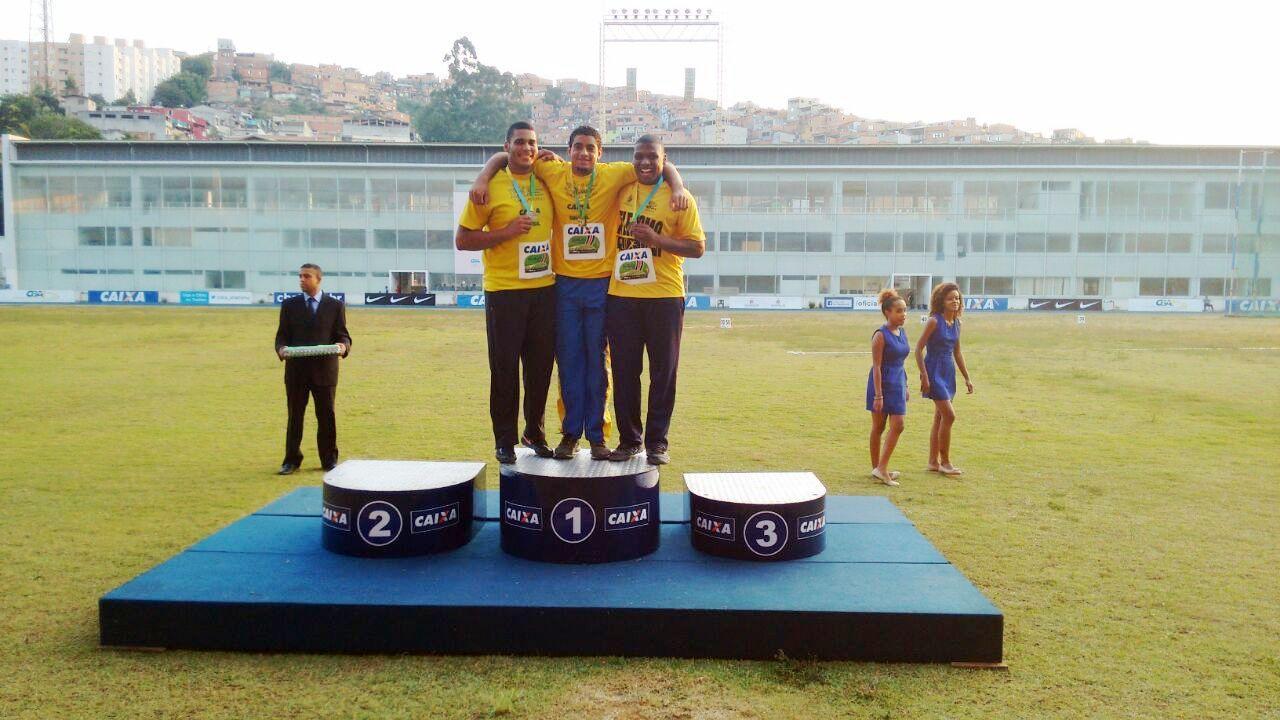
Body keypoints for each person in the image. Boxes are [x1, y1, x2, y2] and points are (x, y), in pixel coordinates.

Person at [470, 127, 688, 461]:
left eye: (590, 148)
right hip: (564, 286)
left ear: (600, 153)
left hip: (603, 285)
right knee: (569, 362)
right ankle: (570, 434)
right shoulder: (551, 170)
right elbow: (508, 155)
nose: (584, 154)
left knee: (599, 364)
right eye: (578, 148)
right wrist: (484, 176)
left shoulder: (614, 174)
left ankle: (598, 436)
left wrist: (678, 185)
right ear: (568, 150)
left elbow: (658, 164)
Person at [456, 121, 557, 464]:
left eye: (531, 143)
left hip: (546, 290)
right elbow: (463, 238)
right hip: (504, 291)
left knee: (540, 368)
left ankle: (535, 432)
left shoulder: (545, 178)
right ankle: (504, 439)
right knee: (504, 370)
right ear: (507, 145)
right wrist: (506, 231)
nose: (526, 148)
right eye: (518, 143)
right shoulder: (489, 187)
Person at [605, 135, 705, 465]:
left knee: (664, 373)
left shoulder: (680, 198)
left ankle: (657, 442)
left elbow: (697, 248)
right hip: (621, 296)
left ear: (664, 160)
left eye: (652, 157)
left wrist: (657, 238)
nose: (645, 163)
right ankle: (630, 440)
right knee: (624, 373)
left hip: (664, 296)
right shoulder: (620, 189)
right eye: (639, 157)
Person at [274, 263, 352, 475]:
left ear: (318, 279)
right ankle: (291, 461)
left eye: (306, 276)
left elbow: (342, 334)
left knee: (327, 416)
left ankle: (328, 460)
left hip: (325, 373)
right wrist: (280, 349)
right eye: (300, 276)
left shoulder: (335, 306)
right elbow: (282, 335)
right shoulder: (290, 305)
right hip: (296, 373)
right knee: (295, 417)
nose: (301, 280)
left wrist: (343, 346)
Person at [914, 282, 974, 476]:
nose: (955, 301)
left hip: (948, 372)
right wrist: (923, 375)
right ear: (941, 301)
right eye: (950, 298)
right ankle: (945, 462)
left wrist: (966, 377)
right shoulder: (934, 321)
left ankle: (933, 462)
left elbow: (957, 352)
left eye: (957, 298)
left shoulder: (958, 323)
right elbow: (917, 349)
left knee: (939, 417)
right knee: (949, 415)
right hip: (933, 370)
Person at [867, 288, 909, 486]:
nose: (903, 315)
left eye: (905, 311)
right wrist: (878, 395)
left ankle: (881, 468)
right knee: (879, 426)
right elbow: (876, 366)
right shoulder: (880, 335)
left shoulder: (902, 332)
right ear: (887, 312)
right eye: (899, 311)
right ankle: (878, 468)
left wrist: (906, 384)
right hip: (882, 383)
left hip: (898, 381)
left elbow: (901, 360)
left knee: (898, 425)